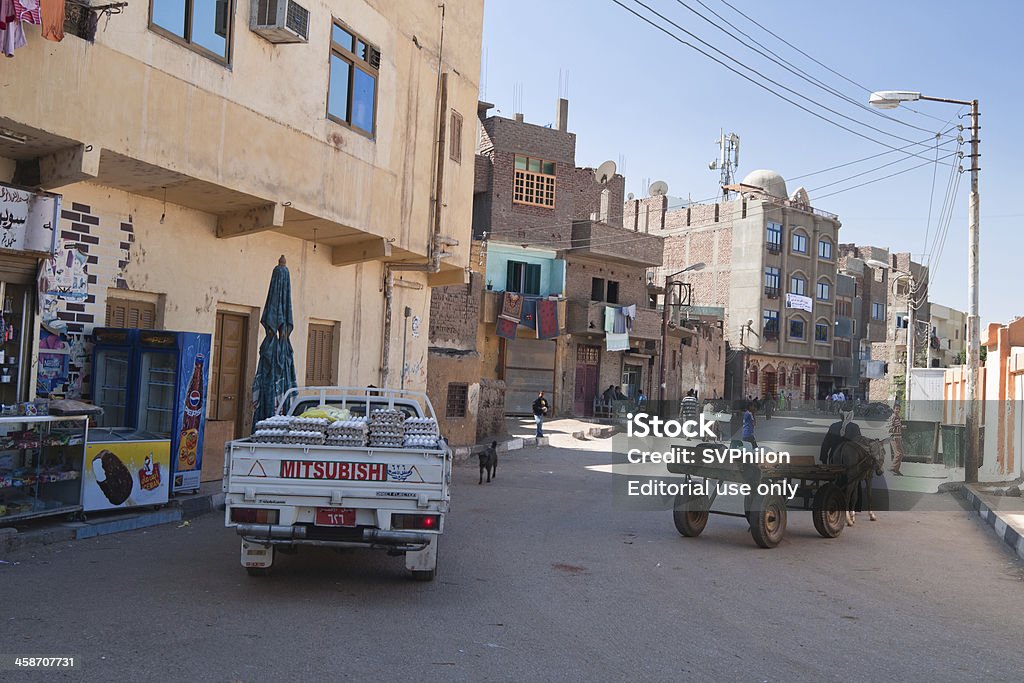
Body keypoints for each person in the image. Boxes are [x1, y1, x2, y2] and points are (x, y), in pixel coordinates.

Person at [888, 401, 905, 475]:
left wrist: (902, 427)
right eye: (896, 409)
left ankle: (896, 469)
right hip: (894, 437)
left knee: (901, 453)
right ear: (893, 409)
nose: (897, 410)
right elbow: (890, 426)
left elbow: (896, 426)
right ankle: (893, 467)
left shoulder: (897, 417)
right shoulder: (893, 417)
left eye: (899, 409)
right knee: (898, 453)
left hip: (898, 437)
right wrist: (892, 436)